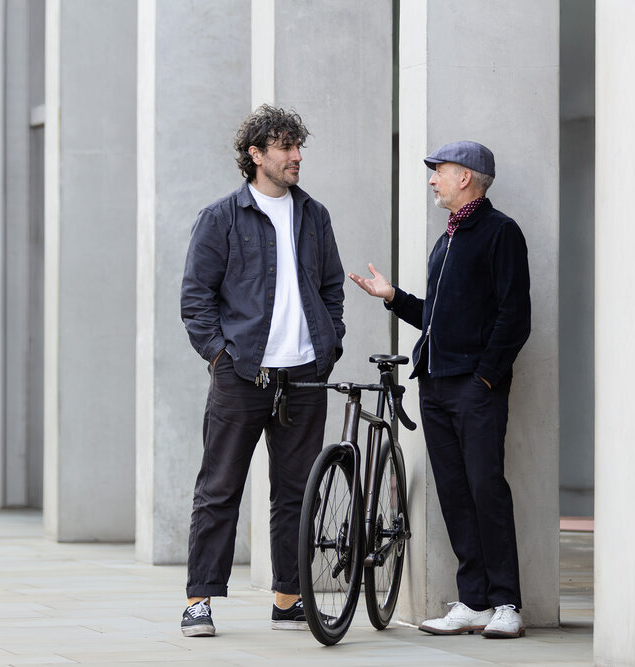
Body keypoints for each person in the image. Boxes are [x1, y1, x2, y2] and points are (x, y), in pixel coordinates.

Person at [348, 141, 530, 639]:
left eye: (439, 171)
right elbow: (438, 317)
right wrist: (393, 298)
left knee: (486, 488)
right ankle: (472, 600)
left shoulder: (500, 232)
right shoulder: (446, 239)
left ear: (467, 177)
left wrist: (486, 378)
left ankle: (506, 602)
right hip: (436, 385)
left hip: (475, 387)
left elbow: (515, 317)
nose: (432, 179)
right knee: (453, 492)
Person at [179, 104, 345, 637]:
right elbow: (196, 297)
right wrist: (220, 357)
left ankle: (288, 598)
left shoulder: (313, 215)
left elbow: (332, 288)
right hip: (242, 373)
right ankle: (199, 599)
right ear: (255, 155)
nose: (296, 157)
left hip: (304, 375)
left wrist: (328, 344)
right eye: (285, 147)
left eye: (299, 146)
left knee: (297, 491)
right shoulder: (221, 217)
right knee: (219, 488)